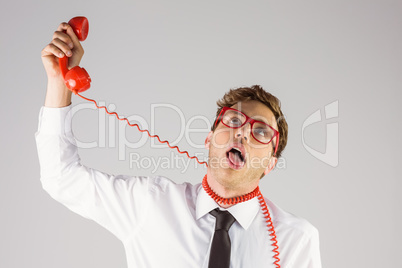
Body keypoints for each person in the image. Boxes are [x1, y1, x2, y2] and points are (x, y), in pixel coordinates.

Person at [37, 22, 322, 268]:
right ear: (210, 138)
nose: (242, 134)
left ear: (270, 164)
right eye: (234, 120)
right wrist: (58, 82)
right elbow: (60, 177)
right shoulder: (150, 203)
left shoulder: (296, 239)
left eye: (260, 132)